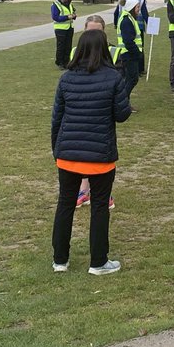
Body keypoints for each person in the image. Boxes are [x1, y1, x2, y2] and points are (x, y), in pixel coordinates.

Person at [51, 28, 131, 275]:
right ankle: (98, 261)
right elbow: (122, 114)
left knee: (65, 204)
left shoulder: (67, 78)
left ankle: (60, 260)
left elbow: (57, 118)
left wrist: (58, 149)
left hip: (69, 154)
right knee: (98, 207)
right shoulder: (113, 77)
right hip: (99, 156)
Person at [71, 15, 117, 211]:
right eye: (90, 31)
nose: (94, 35)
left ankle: (102, 193)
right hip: (81, 113)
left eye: (98, 31)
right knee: (82, 153)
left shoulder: (113, 53)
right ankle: (83, 190)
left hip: (102, 114)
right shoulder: (76, 51)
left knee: (101, 155)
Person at [115, 0, 145, 105]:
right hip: (129, 54)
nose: (138, 10)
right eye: (137, 7)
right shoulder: (127, 20)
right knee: (132, 79)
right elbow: (128, 41)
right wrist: (137, 53)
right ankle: (123, 102)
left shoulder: (128, 18)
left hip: (129, 53)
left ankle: (123, 101)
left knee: (130, 79)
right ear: (132, 8)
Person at [51, 0, 77, 69]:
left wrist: (74, 15)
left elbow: (72, 12)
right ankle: (60, 63)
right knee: (61, 46)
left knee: (68, 46)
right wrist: (67, 17)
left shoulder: (70, 3)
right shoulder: (55, 5)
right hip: (60, 29)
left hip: (70, 27)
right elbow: (55, 17)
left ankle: (67, 62)